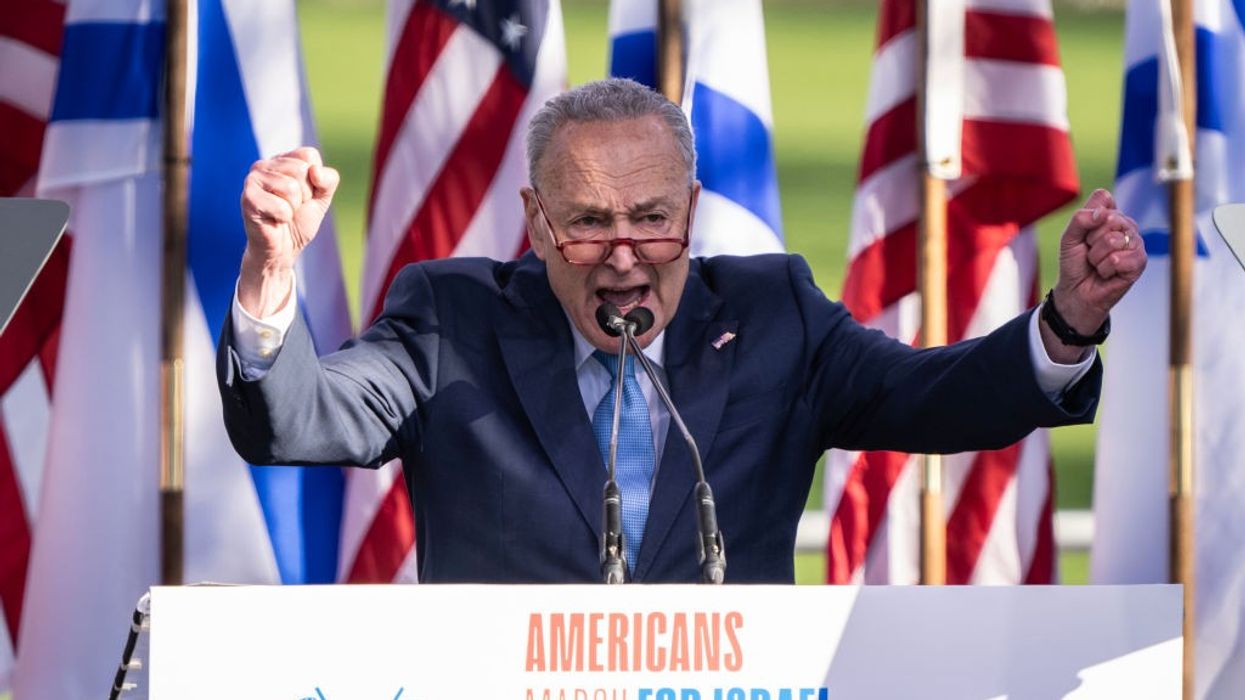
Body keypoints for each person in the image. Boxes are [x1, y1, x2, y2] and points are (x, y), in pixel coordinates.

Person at [218, 78, 1145, 583]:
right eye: (587, 224)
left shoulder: (771, 313)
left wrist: (1064, 323)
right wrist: (272, 272)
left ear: (692, 212)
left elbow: (933, 401)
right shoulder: (449, 317)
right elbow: (296, 420)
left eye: (651, 219)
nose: (624, 255)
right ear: (536, 221)